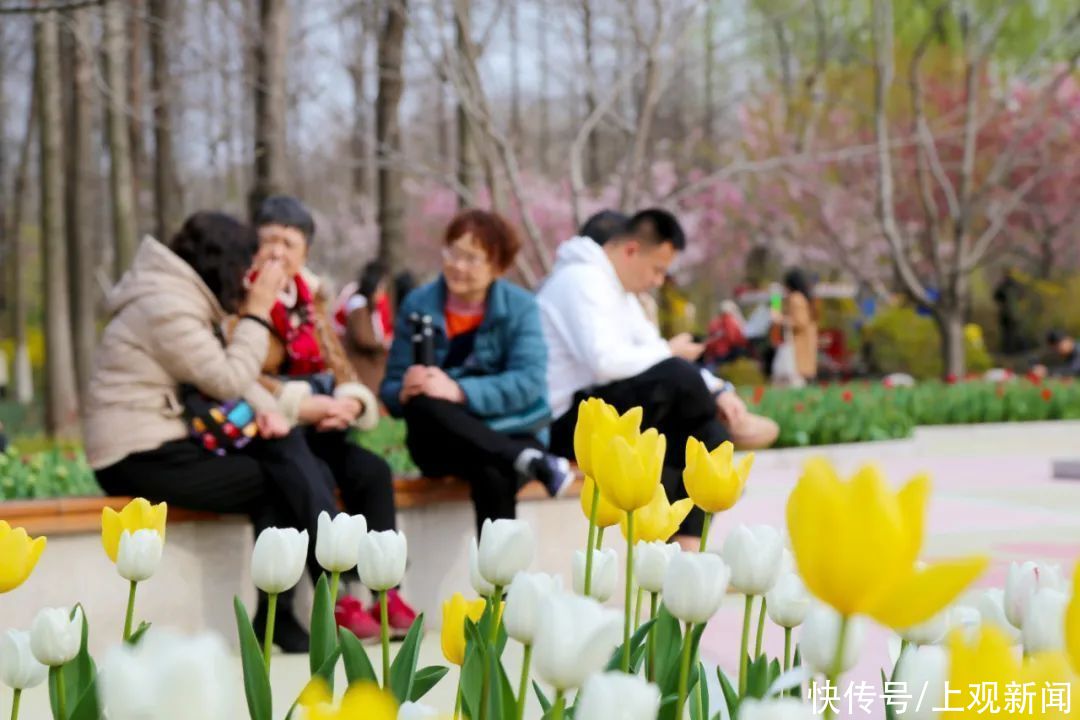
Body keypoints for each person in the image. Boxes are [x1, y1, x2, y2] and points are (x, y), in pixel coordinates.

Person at [84, 212, 340, 653]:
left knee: (288, 461)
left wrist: (278, 413)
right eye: (244, 270)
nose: (247, 282)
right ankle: (304, 594)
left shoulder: (179, 295)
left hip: (163, 442)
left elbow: (233, 380)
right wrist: (258, 312)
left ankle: (288, 607)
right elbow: (225, 378)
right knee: (278, 479)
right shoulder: (166, 305)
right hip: (137, 455)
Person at [538, 209, 777, 549]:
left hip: (602, 410)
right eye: (657, 269)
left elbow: (651, 351)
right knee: (677, 379)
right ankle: (729, 424)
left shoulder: (618, 291)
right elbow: (606, 361)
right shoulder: (580, 279)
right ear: (631, 250)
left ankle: (688, 551)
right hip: (568, 425)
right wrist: (672, 354)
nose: (658, 281)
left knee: (709, 436)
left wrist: (719, 389)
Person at [249, 196, 414, 639]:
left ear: (305, 252)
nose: (278, 253)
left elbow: (340, 364)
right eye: (269, 242)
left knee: (373, 471)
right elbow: (244, 372)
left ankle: (386, 590)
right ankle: (339, 600)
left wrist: (352, 402)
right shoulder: (244, 297)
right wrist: (302, 403)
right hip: (278, 427)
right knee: (313, 477)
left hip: (324, 424)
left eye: (289, 243)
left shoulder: (311, 298)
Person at [380, 209, 573, 536]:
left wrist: (458, 391)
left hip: (513, 428)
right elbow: (390, 389)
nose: (458, 265)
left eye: (471, 258)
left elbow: (528, 382)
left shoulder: (521, 307)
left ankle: (499, 585)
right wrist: (404, 389)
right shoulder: (418, 304)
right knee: (422, 401)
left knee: (493, 470)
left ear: (498, 267)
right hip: (443, 440)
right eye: (452, 253)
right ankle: (522, 458)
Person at [332, 260, 394, 390]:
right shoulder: (359, 305)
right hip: (362, 370)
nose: (383, 293)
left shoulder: (369, 307)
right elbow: (363, 337)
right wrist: (384, 344)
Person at [774, 268, 819, 383]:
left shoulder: (796, 298)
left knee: (795, 378)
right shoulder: (802, 297)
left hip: (797, 344)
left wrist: (781, 318)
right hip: (801, 342)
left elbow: (800, 322)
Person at [704, 300, 748, 366]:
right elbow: (734, 337)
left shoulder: (716, 321)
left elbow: (711, 334)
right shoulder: (731, 320)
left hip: (716, 352)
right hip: (725, 352)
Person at [993, 268, 1023, 355]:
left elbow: (995, 297)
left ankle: (1008, 351)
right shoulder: (1016, 285)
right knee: (1013, 332)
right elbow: (1021, 296)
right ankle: (1014, 351)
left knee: (1006, 334)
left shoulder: (1003, 286)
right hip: (1015, 314)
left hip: (1005, 314)